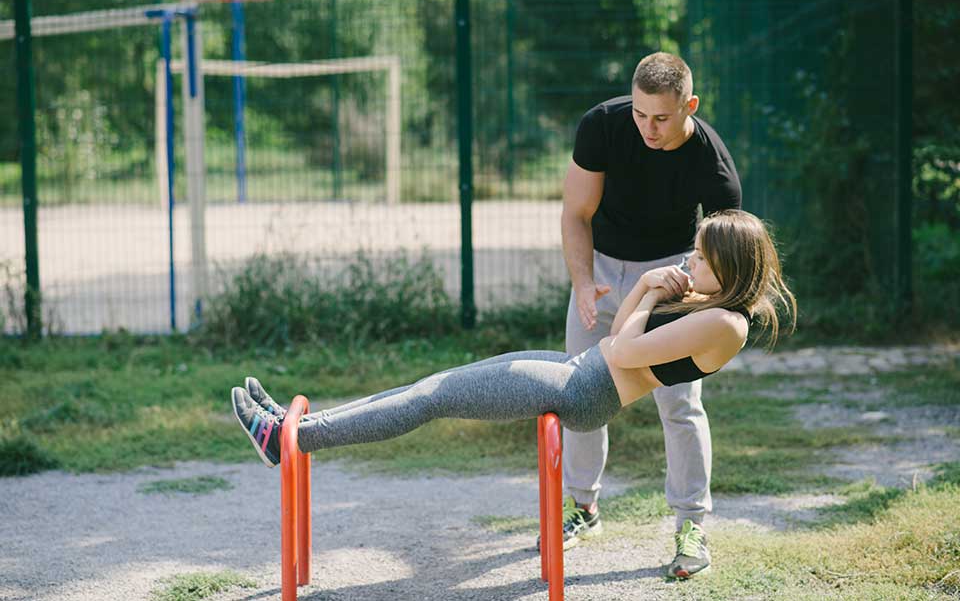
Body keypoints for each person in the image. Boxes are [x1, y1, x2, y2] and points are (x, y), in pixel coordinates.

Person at [232, 211, 796, 578]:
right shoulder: (707, 304)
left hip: (582, 390)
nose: (688, 263)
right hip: (578, 369)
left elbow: (624, 352)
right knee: (430, 386)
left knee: (433, 397)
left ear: (728, 268)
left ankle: (293, 443)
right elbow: (618, 332)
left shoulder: (725, 324)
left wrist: (648, 293)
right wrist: (647, 287)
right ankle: (293, 427)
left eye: (699, 258)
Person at [558, 51, 741, 577]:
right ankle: (582, 508)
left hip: (675, 275)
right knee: (578, 395)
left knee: (680, 403)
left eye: (662, 117)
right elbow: (575, 212)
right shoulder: (602, 125)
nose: (648, 128)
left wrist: (698, 306)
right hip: (601, 267)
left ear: (690, 105)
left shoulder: (713, 167)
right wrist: (583, 281)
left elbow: (725, 261)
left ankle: (692, 526)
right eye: (640, 114)